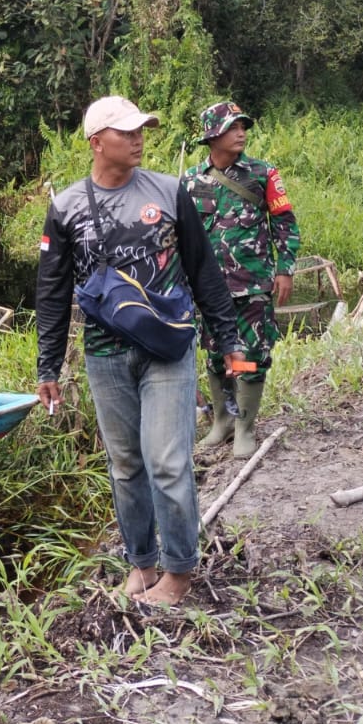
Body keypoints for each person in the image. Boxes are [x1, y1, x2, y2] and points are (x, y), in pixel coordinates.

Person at [36, 96, 249, 607]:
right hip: (105, 354)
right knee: (126, 463)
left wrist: (228, 339)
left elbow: (203, 271)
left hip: (168, 348)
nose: (138, 138)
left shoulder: (169, 192)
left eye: (142, 130)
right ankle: (141, 563)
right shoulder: (66, 207)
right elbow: (51, 289)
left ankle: (178, 572)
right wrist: (48, 365)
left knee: (168, 461)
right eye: (126, 131)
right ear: (96, 142)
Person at [182, 101, 301, 457]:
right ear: (212, 135)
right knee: (216, 354)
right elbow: (181, 235)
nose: (241, 133)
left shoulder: (262, 174)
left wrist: (284, 269)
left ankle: (245, 426)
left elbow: (285, 223)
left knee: (251, 354)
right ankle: (222, 421)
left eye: (243, 126)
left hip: (252, 284)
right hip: (206, 289)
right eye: (233, 127)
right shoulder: (190, 180)